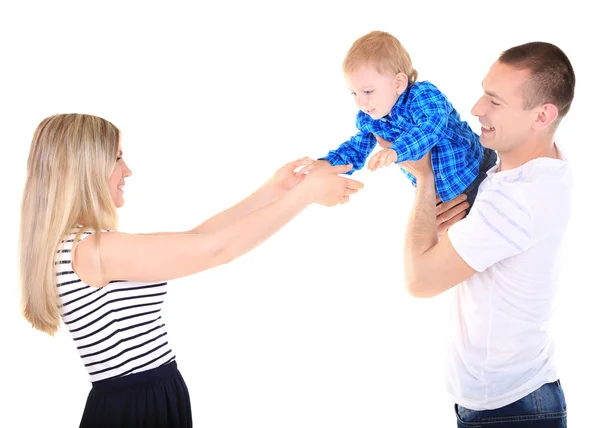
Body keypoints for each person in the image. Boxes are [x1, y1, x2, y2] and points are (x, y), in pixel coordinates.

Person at [18, 113, 364, 428]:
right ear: (85, 168)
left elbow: (199, 238)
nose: (127, 170)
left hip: (143, 400)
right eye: (117, 157)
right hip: (137, 408)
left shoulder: (85, 245)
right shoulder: (93, 250)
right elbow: (216, 249)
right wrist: (306, 195)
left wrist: (275, 189)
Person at [396, 41, 575, 427]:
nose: (477, 108)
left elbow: (419, 281)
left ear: (542, 115)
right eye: (483, 93)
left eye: (495, 101)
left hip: (510, 412)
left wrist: (424, 177)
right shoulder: (532, 169)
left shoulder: (517, 198)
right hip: (512, 403)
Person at [304, 30, 497, 212]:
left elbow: (431, 128)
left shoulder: (423, 95)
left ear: (398, 83)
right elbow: (355, 148)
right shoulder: (371, 117)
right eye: (353, 93)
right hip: (441, 193)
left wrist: (396, 150)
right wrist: (327, 164)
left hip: (474, 172)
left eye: (368, 91)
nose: (360, 102)